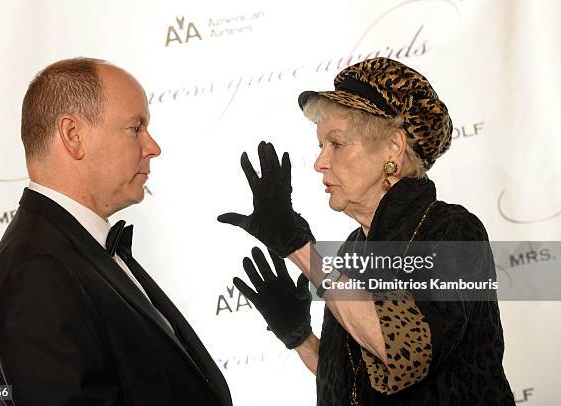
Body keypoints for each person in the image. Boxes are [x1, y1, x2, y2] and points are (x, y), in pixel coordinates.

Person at [218, 57, 514, 405]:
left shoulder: (451, 231)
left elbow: (401, 352)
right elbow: (357, 380)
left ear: (392, 149)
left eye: (337, 144)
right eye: (320, 146)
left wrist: (300, 248)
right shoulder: (354, 249)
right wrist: (300, 338)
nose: (319, 162)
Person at [0, 57, 232, 406]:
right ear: (73, 136)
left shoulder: (69, 250)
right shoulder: (37, 272)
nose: (153, 147)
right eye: (135, 127)